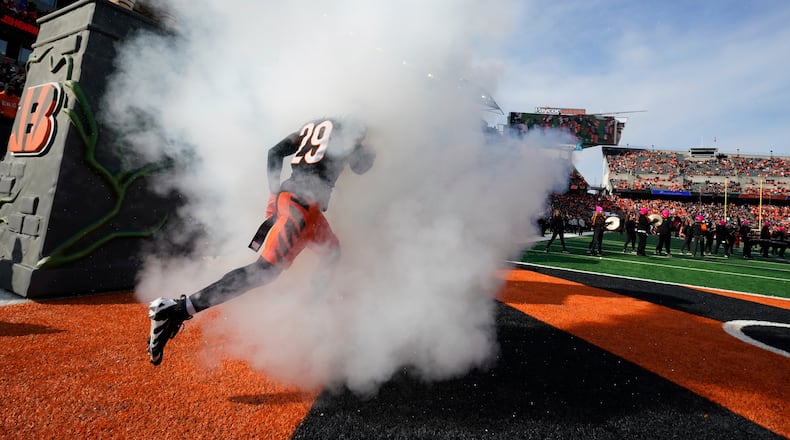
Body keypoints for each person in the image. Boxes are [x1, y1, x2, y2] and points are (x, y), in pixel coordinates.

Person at [146, 117, 376, 366]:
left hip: (304, 207)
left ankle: (315, 310)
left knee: (332, 251)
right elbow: (361, 166)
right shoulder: (353, 130)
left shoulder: (318, 124)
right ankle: (174, 310)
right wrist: (369, 149)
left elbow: (275, 152)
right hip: (302, 208)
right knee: (263, 272)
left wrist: (274, 192)